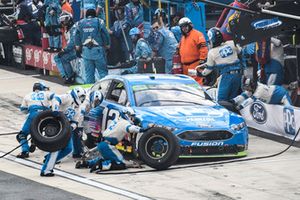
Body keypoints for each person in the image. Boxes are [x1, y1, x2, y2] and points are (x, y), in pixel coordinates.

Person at [75, 107, 142, 172]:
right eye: (131, 117)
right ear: (127, 115)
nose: (132, 119)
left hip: (103, 143)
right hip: (108, 145)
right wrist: (144, 129)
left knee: (107, 158)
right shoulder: (124, 123)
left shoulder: (116, 120)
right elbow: (132, 129)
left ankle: (86, 163)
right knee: (120, 164)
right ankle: (101, 165)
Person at [41, 86, 86, 176]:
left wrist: (71, 127)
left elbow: (75, 121)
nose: (82, 99)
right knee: (56, 148)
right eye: (81, 97)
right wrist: (56, 110)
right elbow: (56, 98)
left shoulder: (78, 107)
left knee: (69, 149)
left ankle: (49, 160)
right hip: (55, 124)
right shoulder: (68, 97)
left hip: (65, 129)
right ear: (76, 93)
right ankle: (46, 170)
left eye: (83, 98)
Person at [197, 27, 243, 102]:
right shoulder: (231, 43)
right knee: (233, 99)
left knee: (221, 100)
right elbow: (239, 51)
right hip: (238, 75)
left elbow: (209, 69)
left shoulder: (212, 52)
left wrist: (201, 73)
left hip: (226, 76)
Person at [17, 82, 54, 158]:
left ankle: (25, 151)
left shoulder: (28, 95)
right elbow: (56, 97)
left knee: (21, 135)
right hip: (47, 116)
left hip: (33, 115)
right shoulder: (46, 93)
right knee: (43, 130)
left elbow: (23, 109)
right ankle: (35, 140)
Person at [75, 9, 110, 84]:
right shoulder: (99, 21)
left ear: (86, 15)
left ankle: (90, 93)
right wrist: (107, 45)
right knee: (102, 73)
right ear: (95, 15)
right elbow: (105, 34)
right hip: (97, 50)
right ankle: (104, 91)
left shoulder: (80, 23)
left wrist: (78, 47)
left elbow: (76, 36)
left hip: (86, 51)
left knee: (89, 74)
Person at [178, 17, 208, 84]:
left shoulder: (197, 35)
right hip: (185, 67)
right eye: (182, 27)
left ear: (190, 25)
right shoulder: (183, 38)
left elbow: (203, 48)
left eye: (185, 26)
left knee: (195, 83)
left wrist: (202, 60)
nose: (184, 28)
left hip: (194, 65)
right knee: (187, 85)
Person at [54, 12, 77, 84]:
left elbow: (73, 43)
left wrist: (64, 50)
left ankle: (70, 76)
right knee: (57, 57)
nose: (63, 22)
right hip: (71, 49)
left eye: (65, 20)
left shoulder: (74, 28)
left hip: (77, 49)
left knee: (64, 58)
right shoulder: (67, 29)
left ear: (69, 19)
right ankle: (65, 76)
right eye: (62, 20)